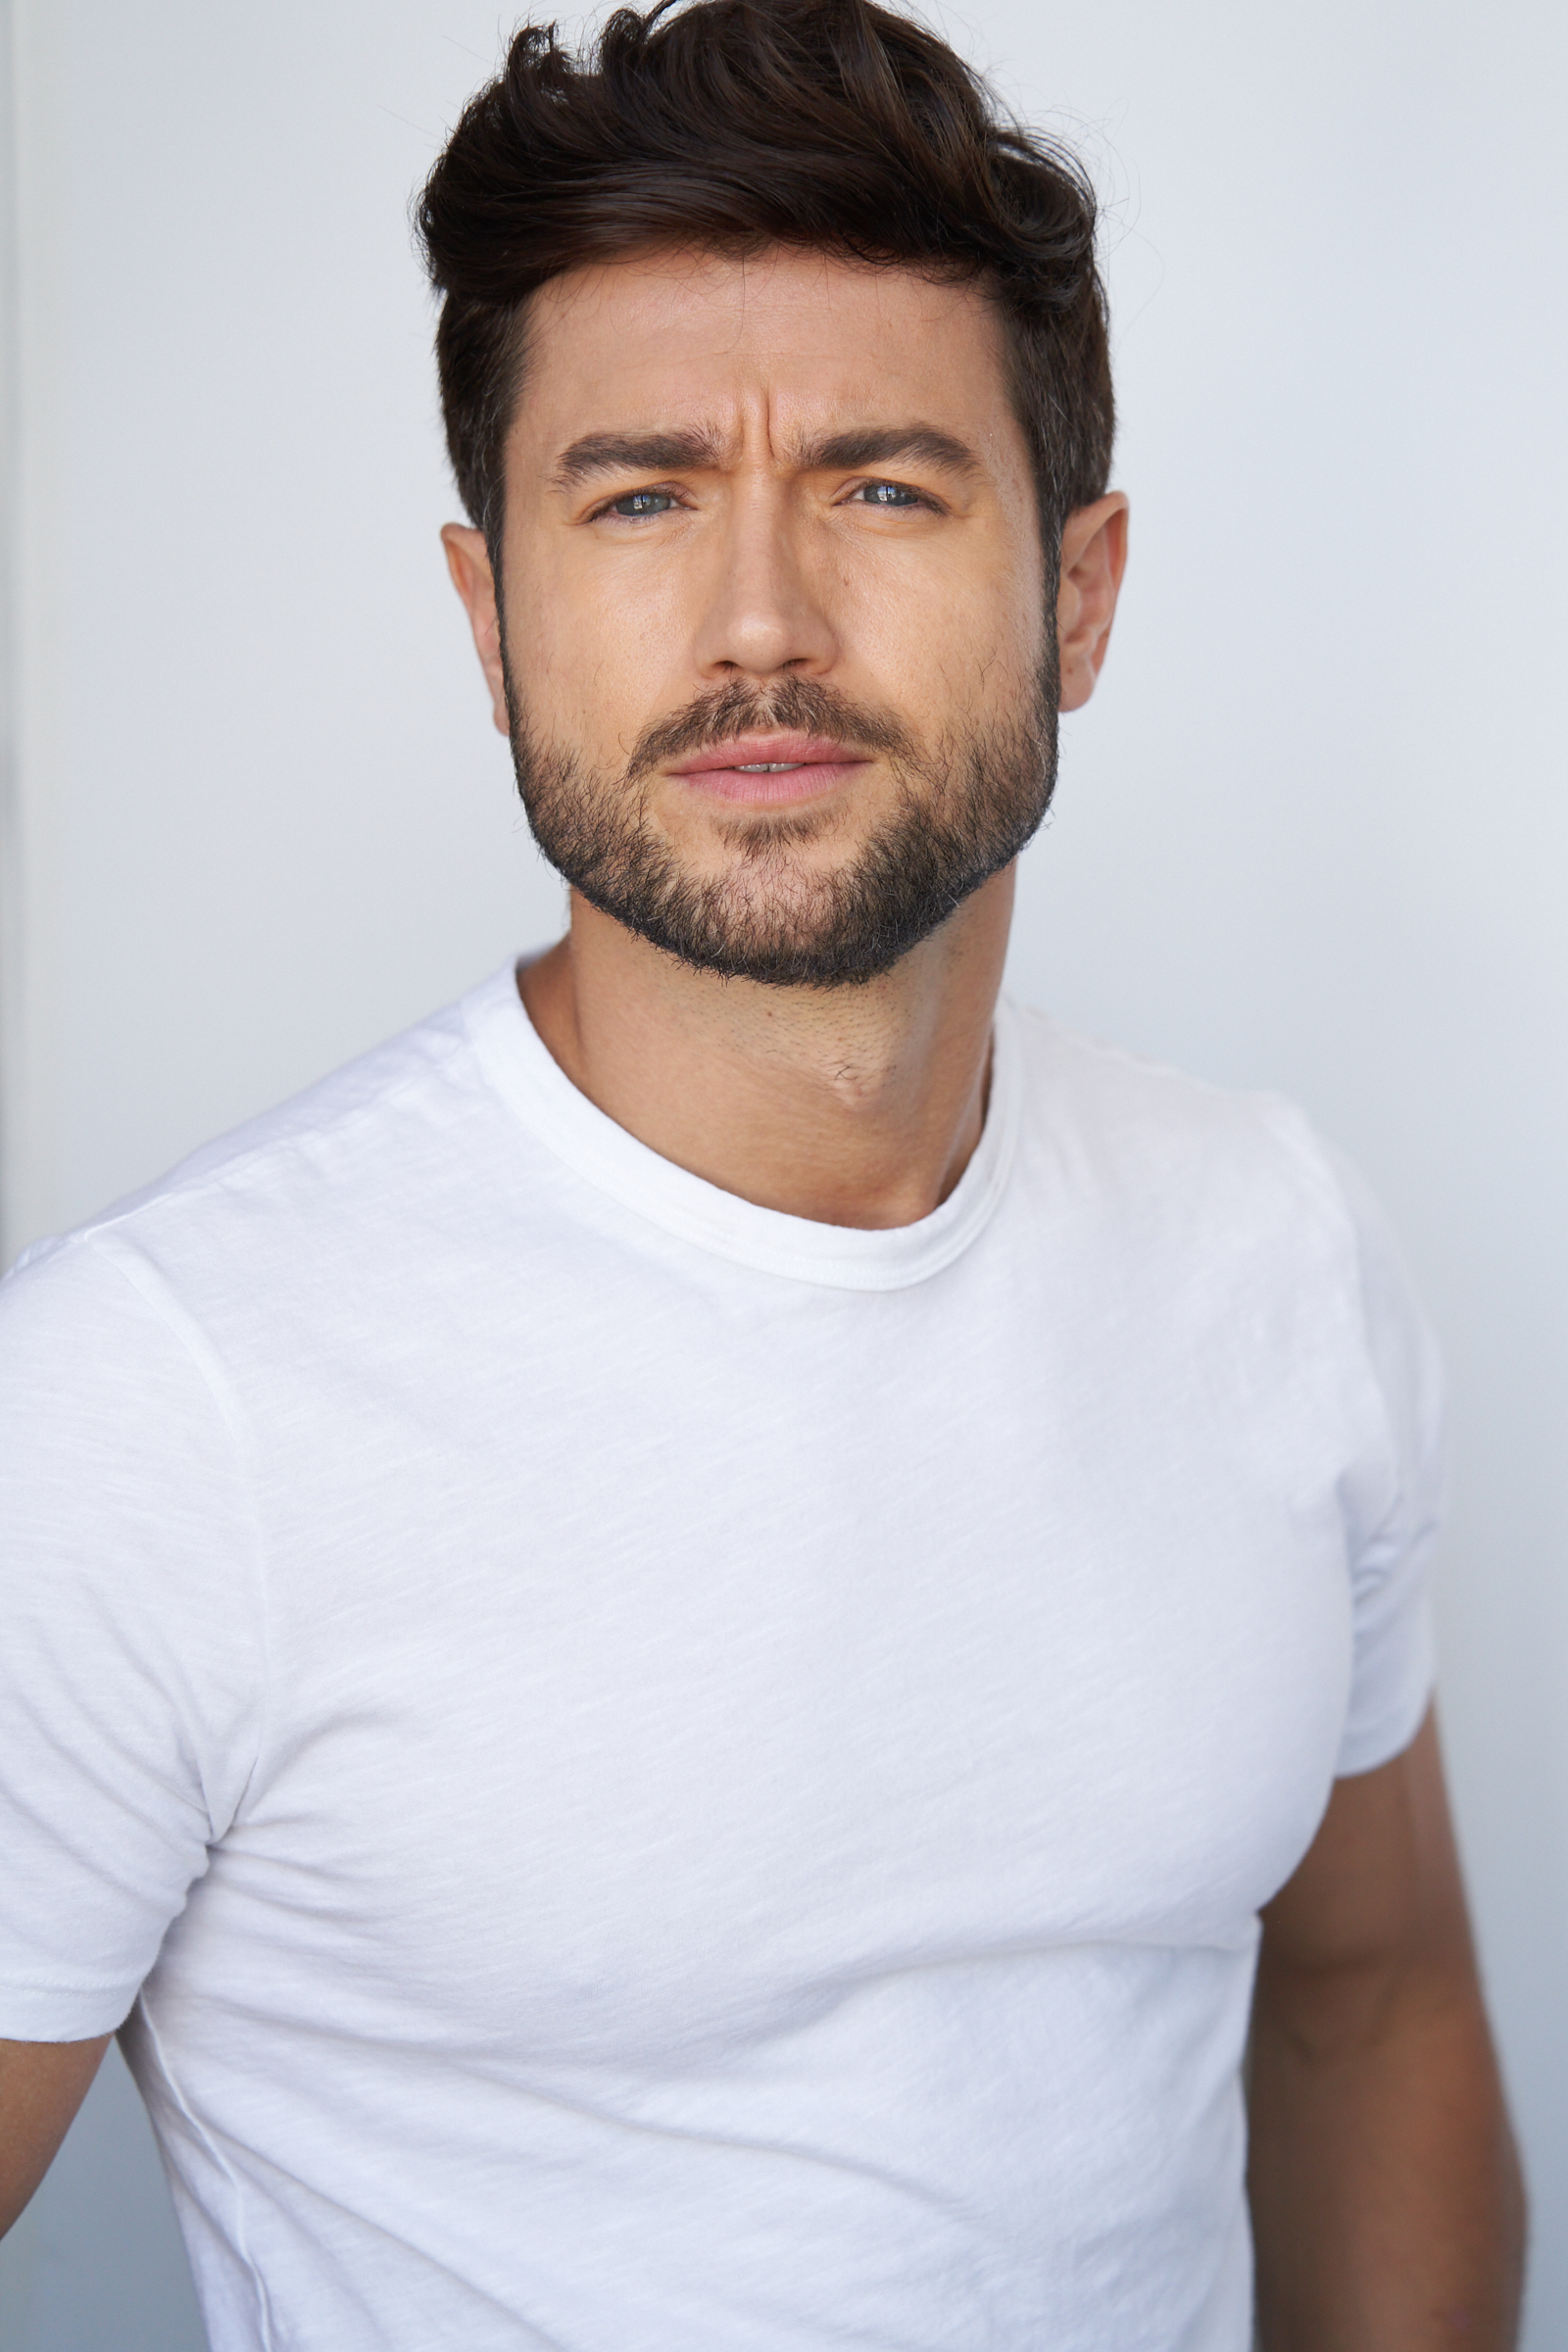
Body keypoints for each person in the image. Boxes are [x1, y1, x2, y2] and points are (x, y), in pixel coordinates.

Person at [0, 1, 1526, 2344]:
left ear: (1079, 595)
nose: (757, 626)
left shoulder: (1268, 1240)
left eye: (882, 489)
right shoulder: (146, 1404)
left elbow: (1366, 2000)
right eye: (636, 499)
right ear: (490, 622)